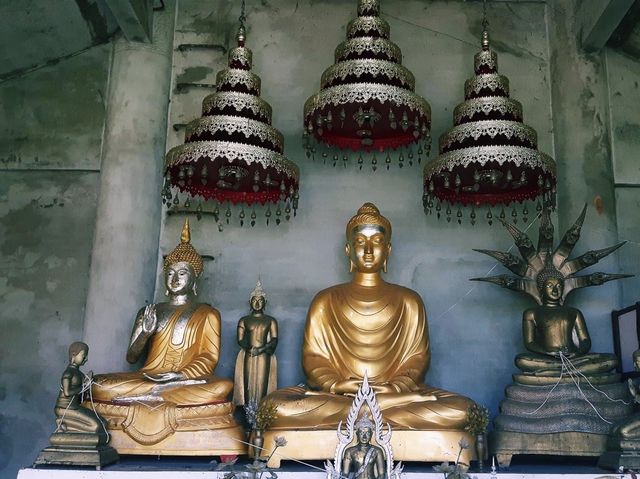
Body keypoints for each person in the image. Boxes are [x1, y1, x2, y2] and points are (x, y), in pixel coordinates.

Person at [266, 203, 473, 430]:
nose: (367, 250)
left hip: (394, 393)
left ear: (388, 250)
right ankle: (375, 410)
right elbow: (314, 358)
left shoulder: (409, 301)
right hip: (340, 396)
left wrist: (396, 388)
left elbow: (417, 358)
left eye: (376, 242)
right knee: (273, 408)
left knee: (464, 409)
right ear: (348, 250)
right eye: (360, 242)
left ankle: (367, 411)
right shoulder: (325, 300)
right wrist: (336, 385)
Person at [91, 219, 232, 405]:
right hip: (148, 378)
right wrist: (145, 334)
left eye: (182, 273)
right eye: (170, 273)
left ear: (194, 280)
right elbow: (132, 357)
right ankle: (155, 395)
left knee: (222, 386)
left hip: (185, 381)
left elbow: (209, 357)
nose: (175, 278)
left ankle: (149, 397)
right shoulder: (150, 311)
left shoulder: (208, 314)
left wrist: (180, 375)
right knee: (98, 385)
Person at [515, 274, 618, 376]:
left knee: (612, 360)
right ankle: (572, 372)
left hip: (574, 358)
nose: (555, 290)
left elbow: (585, 340)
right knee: (521, 360)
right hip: (548, 359)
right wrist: (547, 353)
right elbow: (529, 342)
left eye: (559, 286)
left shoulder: (574, 312)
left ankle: (558, 373)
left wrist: (577, 353)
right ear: (541, 289)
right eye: (550, 286)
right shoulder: (531, 313)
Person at [234, 279, 278, 406]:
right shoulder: (244, 320)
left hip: (264, 355)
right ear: (249, 302)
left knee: (262, 383)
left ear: (265, 303)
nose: (257, 303)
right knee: (249, 384)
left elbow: (275, 339)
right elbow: (240, 339)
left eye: (260, 301)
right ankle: (249, 414)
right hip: (249, 353)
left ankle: (261, 413)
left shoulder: (270, 320)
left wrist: (261, 349)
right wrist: (249, 348)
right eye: (254, 300)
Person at [55, 341, 104, 434]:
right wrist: (83, 387)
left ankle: (65, 423)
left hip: (75, 407)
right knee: (95, 427)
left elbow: (82, 398)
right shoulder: (68, 373)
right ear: (74, 355)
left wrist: (88, 387)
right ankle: (62, 422)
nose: (86, 359)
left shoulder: (80, 374)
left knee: (103, 423)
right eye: (83, 355)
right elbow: (67, 393)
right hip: (64, 408)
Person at [342, 414, 385, 479]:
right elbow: (345, 474)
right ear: (357, 434)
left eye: (367, 433)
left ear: (371, 434)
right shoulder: (350, 451)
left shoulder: (377, 451)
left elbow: (381, 475)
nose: (364, 437)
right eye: (361, 433)